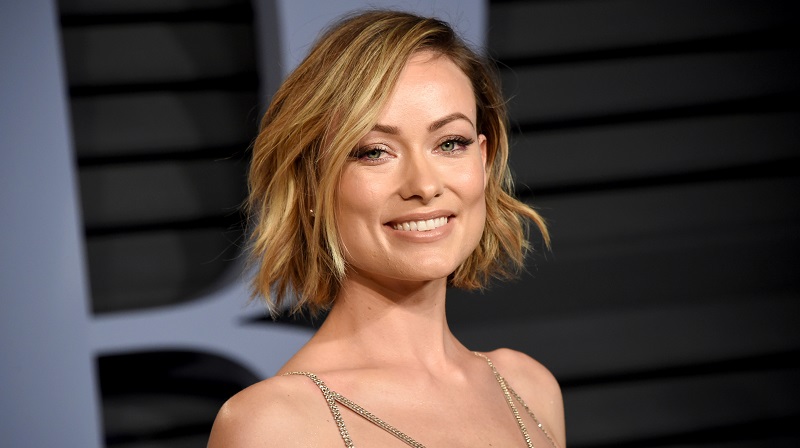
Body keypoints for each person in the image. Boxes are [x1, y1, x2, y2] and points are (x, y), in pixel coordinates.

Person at [208, 9, 565, 447]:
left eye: (450, 143)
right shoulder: (273, 425)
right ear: (312, 182)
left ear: (484, 159)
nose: (425, 186)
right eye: (375, 151)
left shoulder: (529, 387)